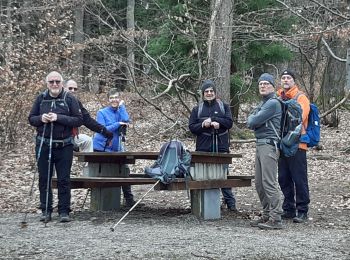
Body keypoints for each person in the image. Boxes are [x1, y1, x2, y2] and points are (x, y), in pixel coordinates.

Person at [28, 71, 83, 223]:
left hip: (64, 145)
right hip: (44, 144)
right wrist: (41, 118)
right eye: (51, 81)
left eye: (57, 81)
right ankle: (46, 210)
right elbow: (31, 119)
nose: (54, 84)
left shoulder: (69, 98)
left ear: (62, 83)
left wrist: (59, 118)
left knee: (64, 179)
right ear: (47, 83)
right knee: (44, 178)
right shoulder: (41, 98)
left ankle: (64, 211)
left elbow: (79, 120)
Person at [188, 79, 237, 211]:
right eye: (206, 91)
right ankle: (202, 204)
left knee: (223, 175)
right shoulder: (197, 109)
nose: (209, 93)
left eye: (211, 91)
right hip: (203, 147)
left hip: (221, 146)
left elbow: (229, 123)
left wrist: (215, 121)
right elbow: (192, 127)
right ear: (203, 94)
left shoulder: (224, 106)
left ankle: (230, 203)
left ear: (215, 92)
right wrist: (203, 124)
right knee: (202, 175)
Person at [247, 73, 283, 229]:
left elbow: (252, 121)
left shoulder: (273, 103)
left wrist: (254, 118)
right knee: (259, 184)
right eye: (260, 83)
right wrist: (254, 118)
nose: (262, 86)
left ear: (273, 87)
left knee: (269, 182)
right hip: (260, 144)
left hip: (269, 145)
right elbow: (250, 121)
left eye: (266, 83)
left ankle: (276, 218)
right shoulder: (263, 103)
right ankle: (267, 214)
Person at [93, 89, 137, 207]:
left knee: (124, 170)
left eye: (116, 97)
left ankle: (129, 200)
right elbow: (104, 129)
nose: (114, 100)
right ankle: (103, 202)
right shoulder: (101, 113)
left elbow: (126, 120)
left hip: (117, 148)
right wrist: (118, 124)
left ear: (119, 99)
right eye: (111, 98)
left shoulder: (120, 111)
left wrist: (122, 107)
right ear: (108, 100)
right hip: (102, 147)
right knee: (105, 172)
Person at [277, 69, 310, 223]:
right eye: (283, 78)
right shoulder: (278, 97)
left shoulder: (301, 98)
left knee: (299, 178)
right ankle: (289, 209)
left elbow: (299, 117)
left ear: (294, 81)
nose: (285, 80)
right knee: (283, 178)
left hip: (298, 144)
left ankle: (302, 210)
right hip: (282, 145)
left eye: (288, 78)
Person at [64, 80, 113, 153]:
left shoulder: (76, 103)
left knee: (87, 140)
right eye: (70, 88)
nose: (73, 91)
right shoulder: (58, 101)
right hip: (57, 136)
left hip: (73, 136)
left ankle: (88, 163)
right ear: (64, 87)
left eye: (75, 89)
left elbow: (87, 120)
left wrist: (104, 131)